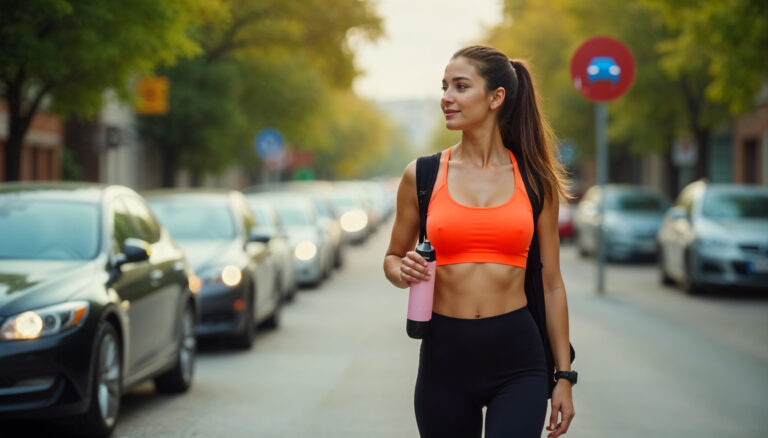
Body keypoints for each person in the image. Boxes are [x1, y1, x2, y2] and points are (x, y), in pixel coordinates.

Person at [383, 45, 575, 438]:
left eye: (460, 86)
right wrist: (401, 271)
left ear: (495, 98)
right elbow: (391, 258)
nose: (446, 98)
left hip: (518, 361)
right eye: (444, 87)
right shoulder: (420, 175)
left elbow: (553, 284)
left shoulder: (536, 182)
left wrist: (564, 376)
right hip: (444, 360)